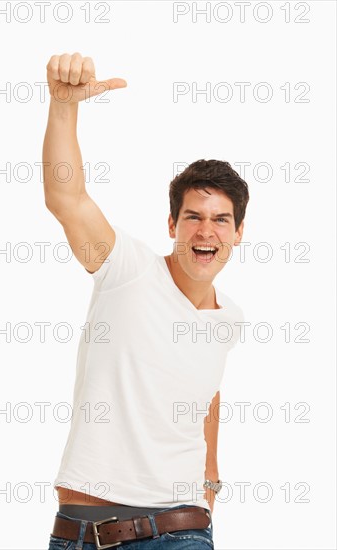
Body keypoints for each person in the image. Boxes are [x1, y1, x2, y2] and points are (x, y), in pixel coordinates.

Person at [43, 52, 249, 549]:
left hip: (181, 532)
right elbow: (65, 199)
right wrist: (63, 107)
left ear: (238, 233)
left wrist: (210, 484)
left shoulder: (229, 320)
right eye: (193, 216)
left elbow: (206, 398)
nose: (206, 230)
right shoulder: (127, 269)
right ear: (172, 225)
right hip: (82, 531)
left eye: (221, 219)